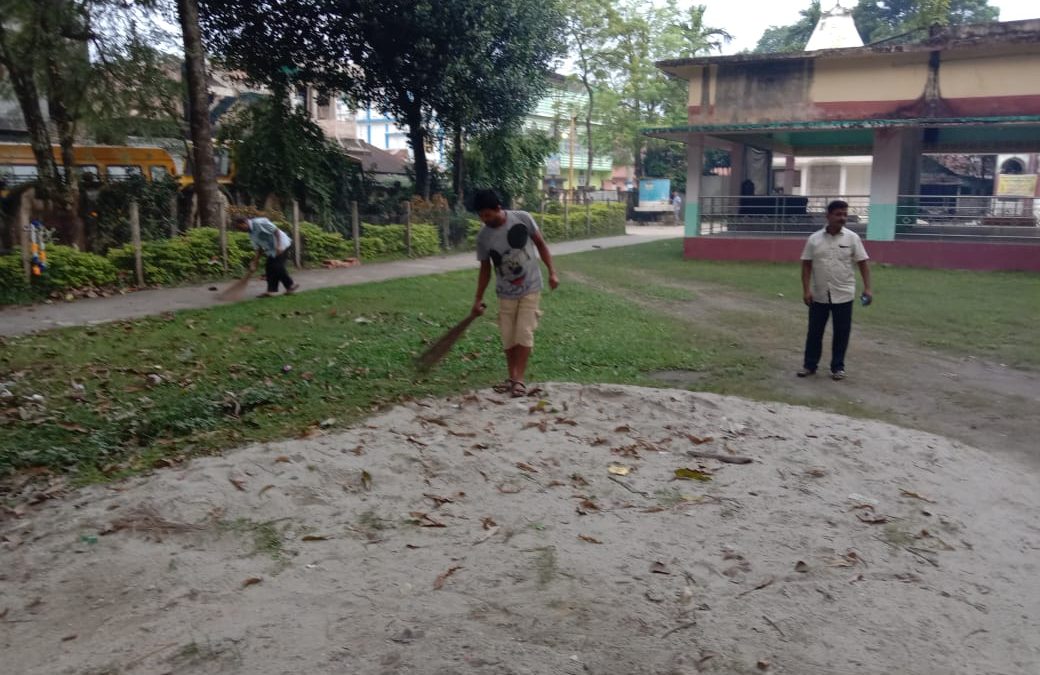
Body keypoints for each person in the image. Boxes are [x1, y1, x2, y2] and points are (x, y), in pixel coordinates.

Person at [471, 189, 559, 398]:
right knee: (508, 337)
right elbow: (485, 269)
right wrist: (478, 298)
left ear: (498, 208)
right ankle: (512, 377)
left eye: (488, 215)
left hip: (530, 286)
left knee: (523, 332)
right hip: (505, 292)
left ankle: (519, 379)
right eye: (481, 216)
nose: (485, 220)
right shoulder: (483, 237)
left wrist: (552, 272)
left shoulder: (522, 218)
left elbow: (541, 244)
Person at [798, 199, 872, 381]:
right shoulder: (814, 239)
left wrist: (868, 288)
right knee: (814, 332)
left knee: (841, 332)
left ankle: (838, 367)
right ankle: (809, 365)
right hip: (819, 294)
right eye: (838, 214)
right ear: (828, 216)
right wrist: (806, 290)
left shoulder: (852, 238)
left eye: (845, 214)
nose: (842, 218)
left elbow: (863, 263)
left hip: (844, 293)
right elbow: (806, 265)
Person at [232, 215, 299, 298]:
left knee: (277, 266)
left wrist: (279, 246)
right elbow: (258, 249)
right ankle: (271, 291)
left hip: (282, 244)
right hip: (272, 249)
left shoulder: (259, 223)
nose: (241, 230)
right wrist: (255, 262)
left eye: (240, 228)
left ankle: (290, 285)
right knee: (269, 267)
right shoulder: (251, 234)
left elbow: (276, 231)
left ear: (244, 222)